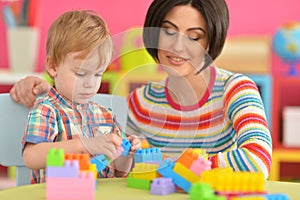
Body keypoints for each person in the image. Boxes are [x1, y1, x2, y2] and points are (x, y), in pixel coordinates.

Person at [11, 0, 272, 179]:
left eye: (194, 37)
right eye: (168, 32)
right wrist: (44, 88)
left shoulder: (235, 90)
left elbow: (258, 161)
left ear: (212, 40)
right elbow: (118, 166)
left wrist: (174, 167)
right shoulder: (140, 103)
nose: (178, 47)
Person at [21, 10, 141, 184]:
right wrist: (84, 145)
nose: (90, 83)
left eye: (98, 74)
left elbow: (119, 170)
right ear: (53, 66)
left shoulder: (106, 115)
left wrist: (126, 153)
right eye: (81, 73)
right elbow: (31, 157)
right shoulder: (47, 109)